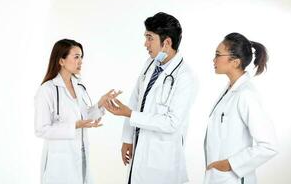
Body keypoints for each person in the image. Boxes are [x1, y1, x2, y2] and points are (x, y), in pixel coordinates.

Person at [104, 12, 198, 184]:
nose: (145, 44)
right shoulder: (151, 63)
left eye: (149, 38)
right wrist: (127, 138)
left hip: (162, 162)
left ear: (167, 42)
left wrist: (130, 115)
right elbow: (136, 99)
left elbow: (172, 122)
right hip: (139, 149)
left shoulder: (185, 77)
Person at [34, 39, 119, 184]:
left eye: (81, 57)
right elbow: (41, 130)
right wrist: (74, 126)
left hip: (80, 154)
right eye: (76, 57)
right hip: (59, 161)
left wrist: (100, 103)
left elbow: (83, 117)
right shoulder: (47, 90)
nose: (81, 61)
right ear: (61, 61)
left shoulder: (79, 86)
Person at [204, 33, 278, 184]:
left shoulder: (246, 95)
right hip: (218, 177)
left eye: (218, 55)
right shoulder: (230, 91)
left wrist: (230, 164)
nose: (213, 60)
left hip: (234, 178)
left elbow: (269, 146)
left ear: (235, 62)